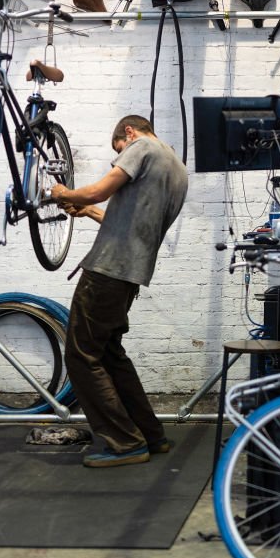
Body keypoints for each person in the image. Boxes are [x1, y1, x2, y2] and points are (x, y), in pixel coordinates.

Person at [51, 115, 188, 468]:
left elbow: (100, 188)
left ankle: (125, 442)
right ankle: (150, 434)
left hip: (108, 270)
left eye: (118, 150)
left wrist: (63, 193)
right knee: (110, 354)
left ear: (128, 132)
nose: (119, 157)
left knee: (81, 355)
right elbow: (133, 224)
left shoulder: (141, 145)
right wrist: (91, 211)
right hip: (130, 274)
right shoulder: (176, 167)